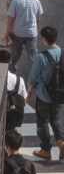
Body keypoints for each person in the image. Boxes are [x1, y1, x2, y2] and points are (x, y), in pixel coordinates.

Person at [30, 26, 64, 161]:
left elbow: (33, 77)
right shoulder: (61, 53)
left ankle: (45, 149)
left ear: (44, 39)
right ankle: (61, 142)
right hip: (59, 94)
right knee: (55, 119)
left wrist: (28, 92)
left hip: (44, 95)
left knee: (42, 121)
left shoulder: (41, 57)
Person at [6, 0, 43, 77]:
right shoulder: (36, 1)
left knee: (15, 54)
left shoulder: (15, 2)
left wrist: (6, 33)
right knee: (33, 55)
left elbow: (10, 20)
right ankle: (36, 76)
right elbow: (38, 18)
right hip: (31, 33)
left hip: (17, 32)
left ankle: (12, 74)